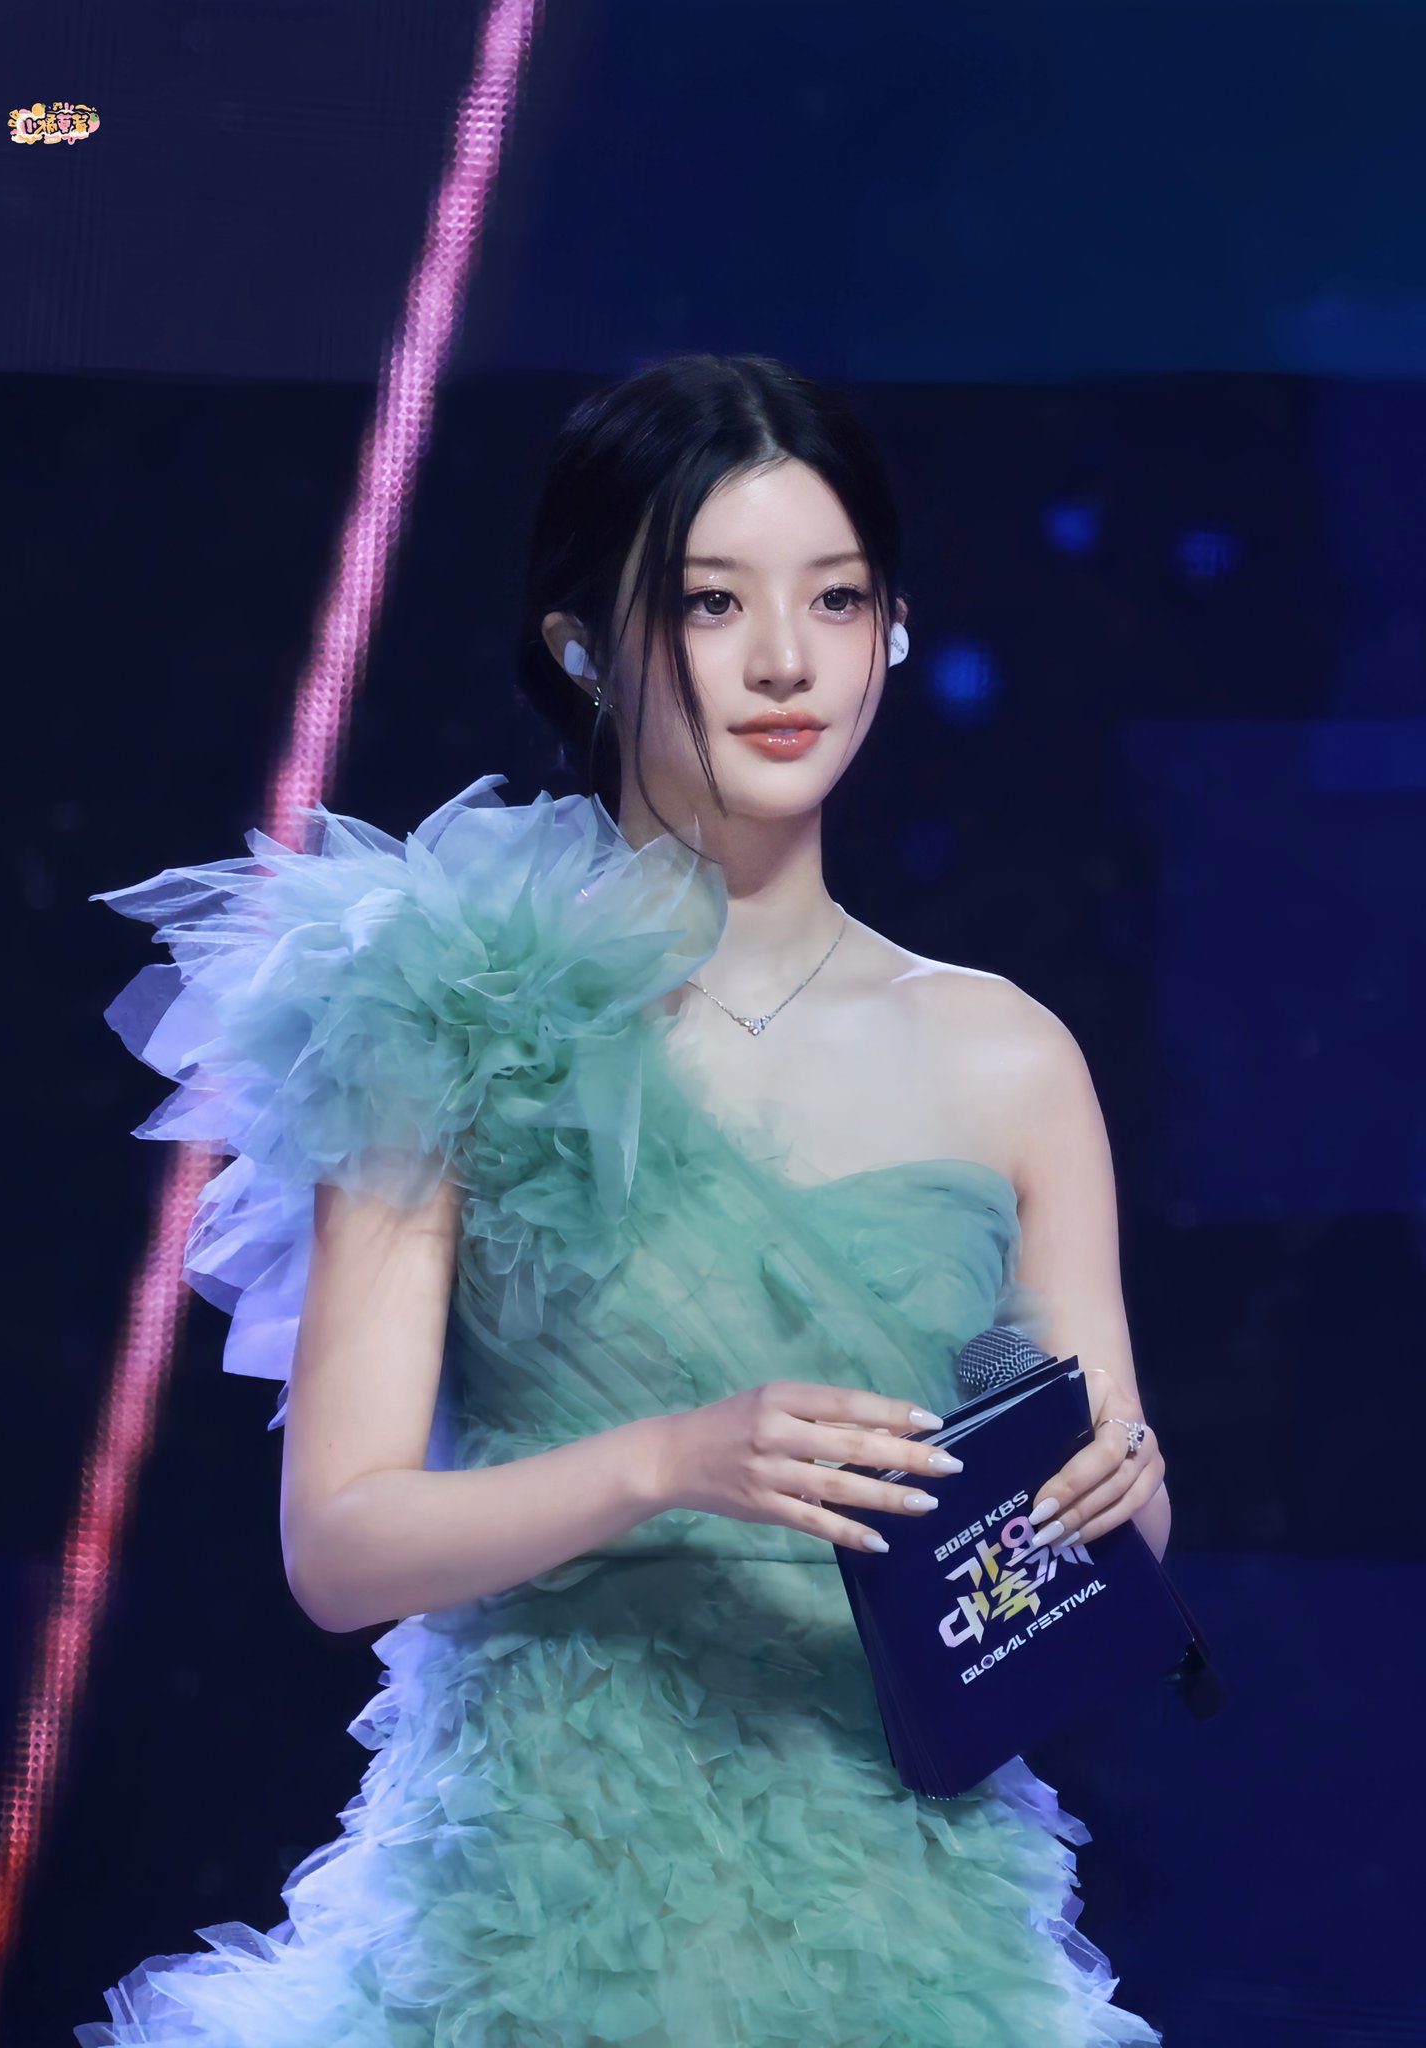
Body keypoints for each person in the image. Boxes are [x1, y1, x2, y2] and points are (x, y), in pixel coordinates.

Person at [77, 353, 1170, 2046]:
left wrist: (1120, 1492)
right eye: (713, 602)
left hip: (904, 1915)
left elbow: (1103, 1520)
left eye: (836, 598)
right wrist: (674, 1462)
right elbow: (340, 1545)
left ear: (892, 629)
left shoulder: (1010, 1058)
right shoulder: (453, 1006)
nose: (787, 660)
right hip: (534, 1907)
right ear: (585, 643)